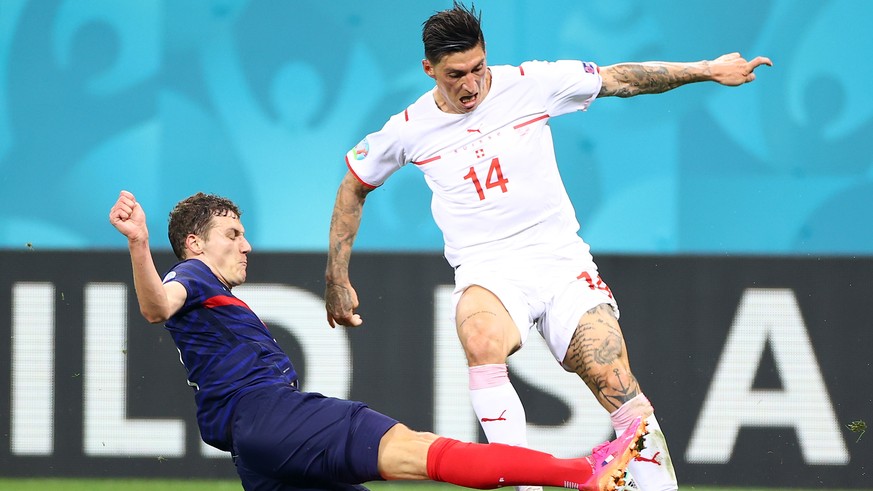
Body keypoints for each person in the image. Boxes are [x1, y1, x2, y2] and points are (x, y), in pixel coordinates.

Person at [324, 3, 773, 491]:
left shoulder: (530, 83)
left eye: (478, 68)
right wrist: (336, 277)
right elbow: (354, 184)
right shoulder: (408, 128)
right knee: (479, 337)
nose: (471, 84)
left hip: (559, 260)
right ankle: (524, 485)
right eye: (456, 75)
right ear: (429, 69)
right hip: (488, 269)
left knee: (615, 381)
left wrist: (707, 70)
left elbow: (619, 78)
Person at [108, 189, 647, 491]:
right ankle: (585, 473)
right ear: (195, 243)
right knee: (421, 450)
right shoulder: (192, 275)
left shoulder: (209, 293)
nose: (246, 245)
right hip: (274, 417)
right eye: (232, 234)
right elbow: (157, 305)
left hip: (257, 451)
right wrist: (140, 244)